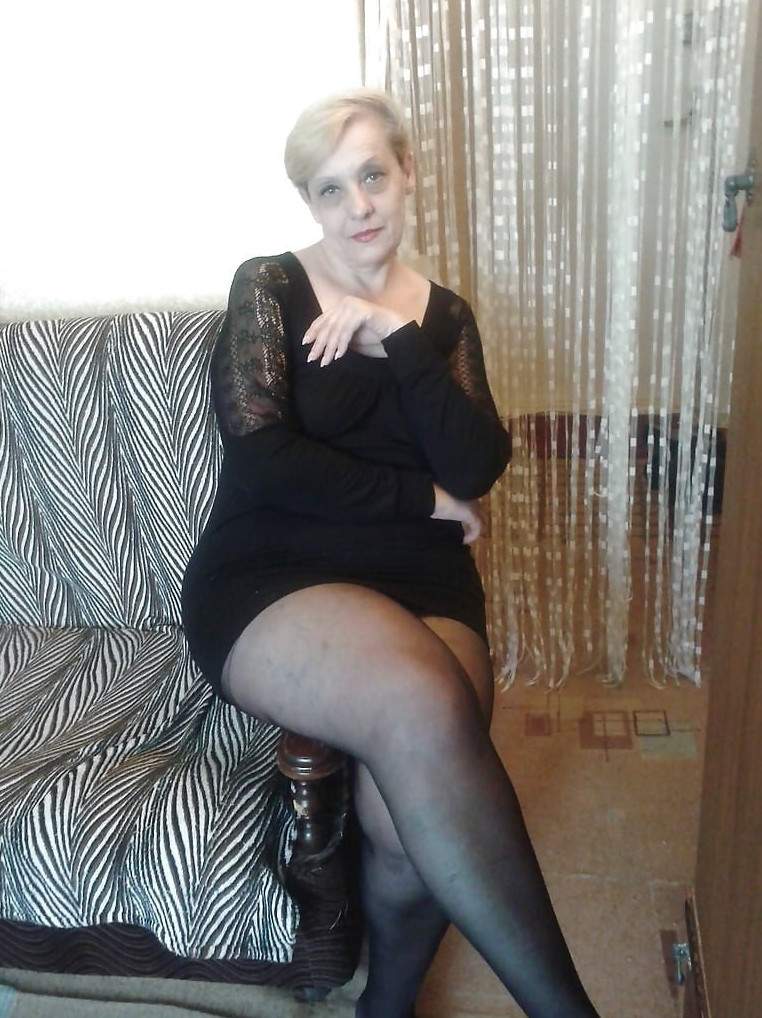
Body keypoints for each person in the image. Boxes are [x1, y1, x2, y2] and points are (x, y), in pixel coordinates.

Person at [180, 88, 600, 1018]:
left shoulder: (443, 318)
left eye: (373, 175)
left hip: (423, 578)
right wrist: (424, 499)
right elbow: (263, 460)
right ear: (310, 203)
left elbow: (476, 464)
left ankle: (388, 1006)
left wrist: (393, 332)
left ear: (407, 173)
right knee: (420, 699)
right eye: (331, 190)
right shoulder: (269, 288)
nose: (358, 206)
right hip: (275, 572)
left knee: (410, 833)